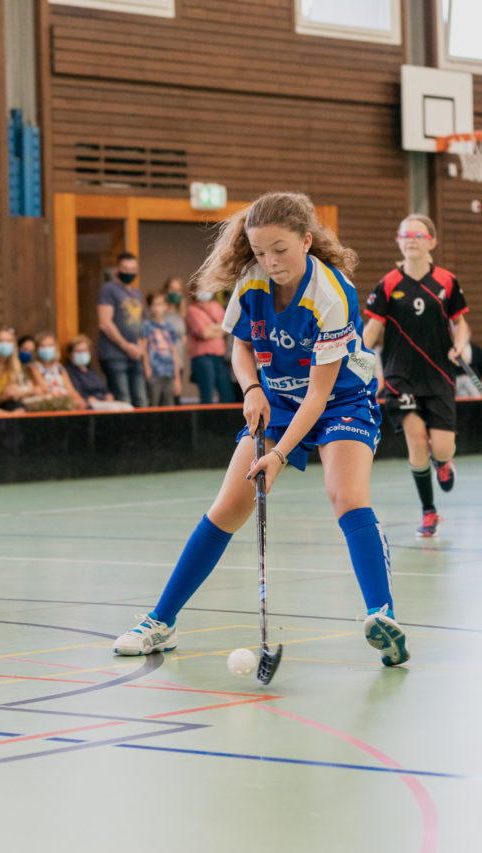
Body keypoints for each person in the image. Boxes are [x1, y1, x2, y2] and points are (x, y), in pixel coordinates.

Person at [113, 191, 409, 667]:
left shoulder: (332, 294)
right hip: (276, 403)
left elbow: (319, 394)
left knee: (346, 496)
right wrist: (251, 389)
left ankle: (382, 615)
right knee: (229, 505)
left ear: (306, 241)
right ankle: (159, 621)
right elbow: (241, 347)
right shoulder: (251, 283)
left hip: (340, 401)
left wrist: (276, 455)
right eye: (259, 251)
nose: (269, 261)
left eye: (280, 249)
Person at [362, 214, 470, 538]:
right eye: (405, 234)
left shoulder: (447, 282)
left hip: (439, 373)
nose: (411, 239)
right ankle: (429, 511)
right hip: (400, 375)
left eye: (418, 235)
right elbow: (372, 330)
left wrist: (461, 345)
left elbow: (460, 323)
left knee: (442, 448)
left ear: (431, 243)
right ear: (398, 241)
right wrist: (353, 359)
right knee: (417, 442)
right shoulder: (388, 284)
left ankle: (444, 463)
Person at [97, 253, 148, 407]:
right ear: (117, 269)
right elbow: (105, 323)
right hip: (114, 355)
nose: (129, 272)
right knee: (123, 401)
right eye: (125, 268)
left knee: (141, 400)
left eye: (133, 269)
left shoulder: (136, 293)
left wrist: (140, 347)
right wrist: (127, 347)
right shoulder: (108, 289)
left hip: (135, 355)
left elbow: (138, 325)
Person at [187, 283, 235, 403]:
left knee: (227, 395)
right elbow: (204, 333)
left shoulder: (216, 306)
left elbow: (227, 328)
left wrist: (212, 328)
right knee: (207, 396)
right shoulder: (192, 310)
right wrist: (218, 328)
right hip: (202, 358)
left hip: (220, 358)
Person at [66, 335, 131, 411]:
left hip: (103, 401)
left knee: (127, 407)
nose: (82, 354)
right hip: (89, 404)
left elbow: (104, 388)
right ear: (71, 355)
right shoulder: (69, 371)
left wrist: (108, 395)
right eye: (78, 351)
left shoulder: (92, 370)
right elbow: (77, 392)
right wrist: (87, 399)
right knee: (113, 409)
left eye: (84, 351)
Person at [142, 291, 183, 407]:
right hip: (154, 373)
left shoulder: (169, 328)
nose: (157, 308)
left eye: (160, 304)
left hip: (169, 373)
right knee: (153, 404)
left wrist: (177, 379)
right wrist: (147, 370)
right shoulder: (146, 325)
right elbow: (144, 349)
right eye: (154, 304)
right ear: (150, 307)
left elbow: (174, 353)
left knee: (168, 406)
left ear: (165, 306)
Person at [30, 332, 84, 411]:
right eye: (43, 346)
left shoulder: (59, 367)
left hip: (66, 401)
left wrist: (78, 399)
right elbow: (44, 389)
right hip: (50, 402)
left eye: (50, 345)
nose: (47, 349)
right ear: (37, 349)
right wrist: (63, 400)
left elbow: (70, 389)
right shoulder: (34, 367)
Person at [0, 327, 32, 412]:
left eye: (8, 341)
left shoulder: (16, 364)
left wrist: (17, 392)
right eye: (1, 341)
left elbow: (29, 388)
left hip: (10, 404)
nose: (5, 344)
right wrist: (3, 397)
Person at [162, 276, 189, 392]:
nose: (175, 293)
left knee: (176, 397)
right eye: (172, 289)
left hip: (179, 362)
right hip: (163, 363)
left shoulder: (181, 314)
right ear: (166, 291)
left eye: (178, 290)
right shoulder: (161, 312)